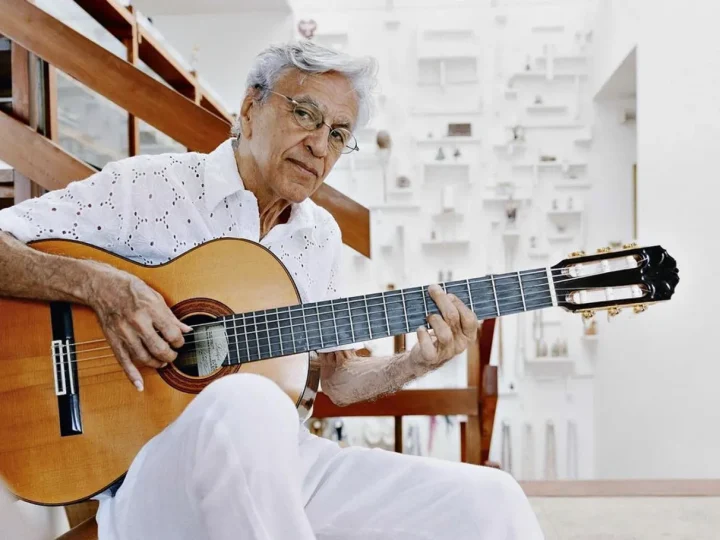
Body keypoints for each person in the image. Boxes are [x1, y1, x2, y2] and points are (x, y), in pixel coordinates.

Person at [0, 41, 544, 539]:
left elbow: (335, 379)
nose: (318, 145)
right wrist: (103, 286)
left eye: (337, 134)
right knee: (245, 400)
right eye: (305, 113)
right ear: (248, 109)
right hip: (143, 479)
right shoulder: (149, 186)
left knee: (491, 501)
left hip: (280, 464)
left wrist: (414, 364)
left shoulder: (319, 236)